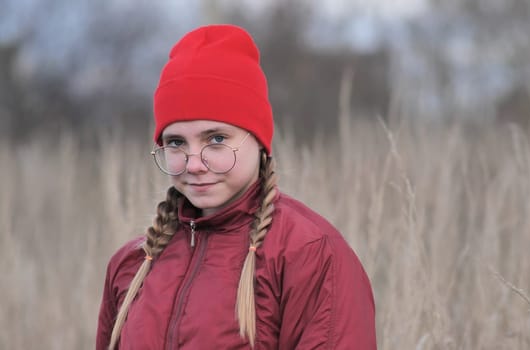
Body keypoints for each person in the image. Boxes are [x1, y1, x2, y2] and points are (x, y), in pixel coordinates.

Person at [96, 24, 376, 350]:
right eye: (176, 143)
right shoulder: (132, 265)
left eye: (216, 139)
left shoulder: (310, 254)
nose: (194, 163)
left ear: (258, 140)